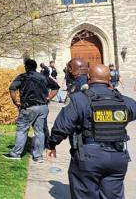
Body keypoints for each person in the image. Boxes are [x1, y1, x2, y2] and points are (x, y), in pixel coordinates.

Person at [46, 64, 136, 199]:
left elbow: (62, 126)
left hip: (88, 157)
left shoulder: (80, 99)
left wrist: (52, 144)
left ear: (88, 77)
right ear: (109, 79)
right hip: (117, 156)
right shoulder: (124, 100)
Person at [4, 59, 60, 162]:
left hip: (28, 107)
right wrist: (49, 98)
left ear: (26, 67)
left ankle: (16, 153)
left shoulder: (22, 77)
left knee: (22, 130)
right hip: (42, 107)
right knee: (39, 132)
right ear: (35, 67)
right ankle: (38, 156)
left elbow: (12, 88)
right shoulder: (43, 77)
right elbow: (56, 87)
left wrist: (15, 102)